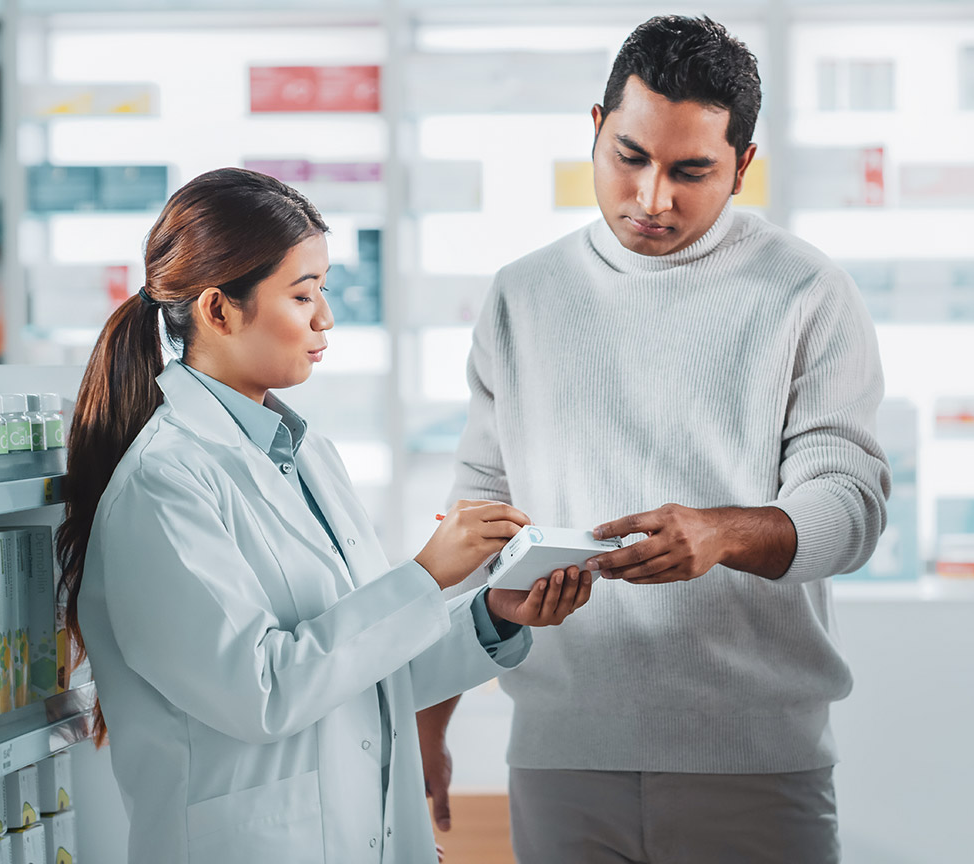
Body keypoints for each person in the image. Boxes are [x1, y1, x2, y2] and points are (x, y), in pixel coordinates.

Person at [417, 16, 891, 864]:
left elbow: (848, 506)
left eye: (691, 171)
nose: (652, 198)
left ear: (743, 166)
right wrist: (429, 713)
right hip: (563, 754)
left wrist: (722, 534)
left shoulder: (807, 293)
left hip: (754, 767)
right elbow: (475, 518)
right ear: (595, 129)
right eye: (629, 157)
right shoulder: (521, 296)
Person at [55, 167, 592, 863]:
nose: (325, 319)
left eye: (325, 291)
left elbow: (360, 667)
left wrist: (493, 613)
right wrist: (426, 575)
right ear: (219, 311)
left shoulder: (308, 459)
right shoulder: (163, 486)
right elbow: (262, 692)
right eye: (302, 294)